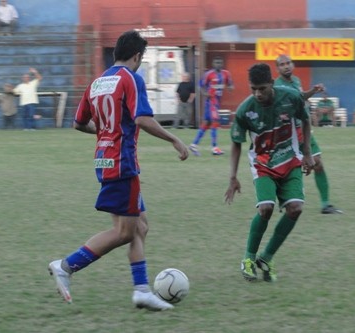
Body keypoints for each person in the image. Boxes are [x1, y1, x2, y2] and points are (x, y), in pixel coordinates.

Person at [48, 30, 189, 311]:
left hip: (104, 159)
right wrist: (174, 139)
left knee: (141, 226)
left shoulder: (98, 82)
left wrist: (104, 134)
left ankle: (141, 291)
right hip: (121, 161)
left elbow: (78, 123)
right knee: (124, 231)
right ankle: (66, 265)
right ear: (137, 56)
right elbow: (143, 119)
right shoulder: (131, 79)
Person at [224, 63, 315, 283]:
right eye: (253, 88)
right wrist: (233, 177)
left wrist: (308, 152)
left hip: (290, 160)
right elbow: (236, 143)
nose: (258, 93)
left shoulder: (291, 97)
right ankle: (248, 258)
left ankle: (266, 257)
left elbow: (305, 119)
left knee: (295, 209)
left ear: (271, 84)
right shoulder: (246, 110)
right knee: (266, 209)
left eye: (262, 88)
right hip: (263, 165)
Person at [274, 54, 343, 214]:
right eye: (282, 64)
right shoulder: (278, 86)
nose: (286, 66)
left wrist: (313, 90)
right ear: (277, 68)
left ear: (293, 64)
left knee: (317, 163)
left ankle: (325, 204)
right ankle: (283, 200)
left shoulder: (296, 80)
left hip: (304, 129)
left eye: (288, 63)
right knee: (287, 169)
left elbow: (300, 96)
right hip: (290, 133)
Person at [189, 56, 234, 156]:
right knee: (215, 121)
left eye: (220, 62)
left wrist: (230, 87)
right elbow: (200, 86)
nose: (218, 64)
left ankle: (194, 145)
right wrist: (205, 93)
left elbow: (230, 84)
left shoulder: (226, 74)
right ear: (213, 64)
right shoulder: (209, 74)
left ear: (222, 64)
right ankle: (214, 148)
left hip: (217, 102)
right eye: (216, 62)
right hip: (210, 102)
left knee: (206, 124)